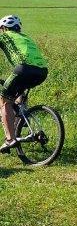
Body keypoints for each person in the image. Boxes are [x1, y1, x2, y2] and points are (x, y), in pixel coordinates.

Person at [0, 14, 49, 152]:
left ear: (3, 28)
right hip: (42, 71)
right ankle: (22, 118)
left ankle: (10, 139)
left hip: (23, 69)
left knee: (4, 100)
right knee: (18, 97)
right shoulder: (26, 37)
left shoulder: (4, 36)